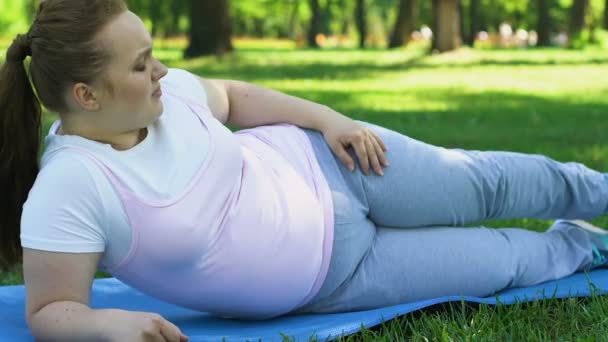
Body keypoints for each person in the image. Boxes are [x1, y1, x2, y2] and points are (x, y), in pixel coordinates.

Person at [1, 1, 607, 341]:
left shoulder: (170, 95)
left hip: (341, 167)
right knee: (505, 261)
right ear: (86, 95)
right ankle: (585, 248)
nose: (159, 71)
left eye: (152, 53)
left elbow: (234, 99)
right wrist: (109, 326)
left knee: (487, 183)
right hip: (336, 278)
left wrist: (329, 119)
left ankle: (599, 191)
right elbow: (50, 309)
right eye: (140, 65)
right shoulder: (70, 187)